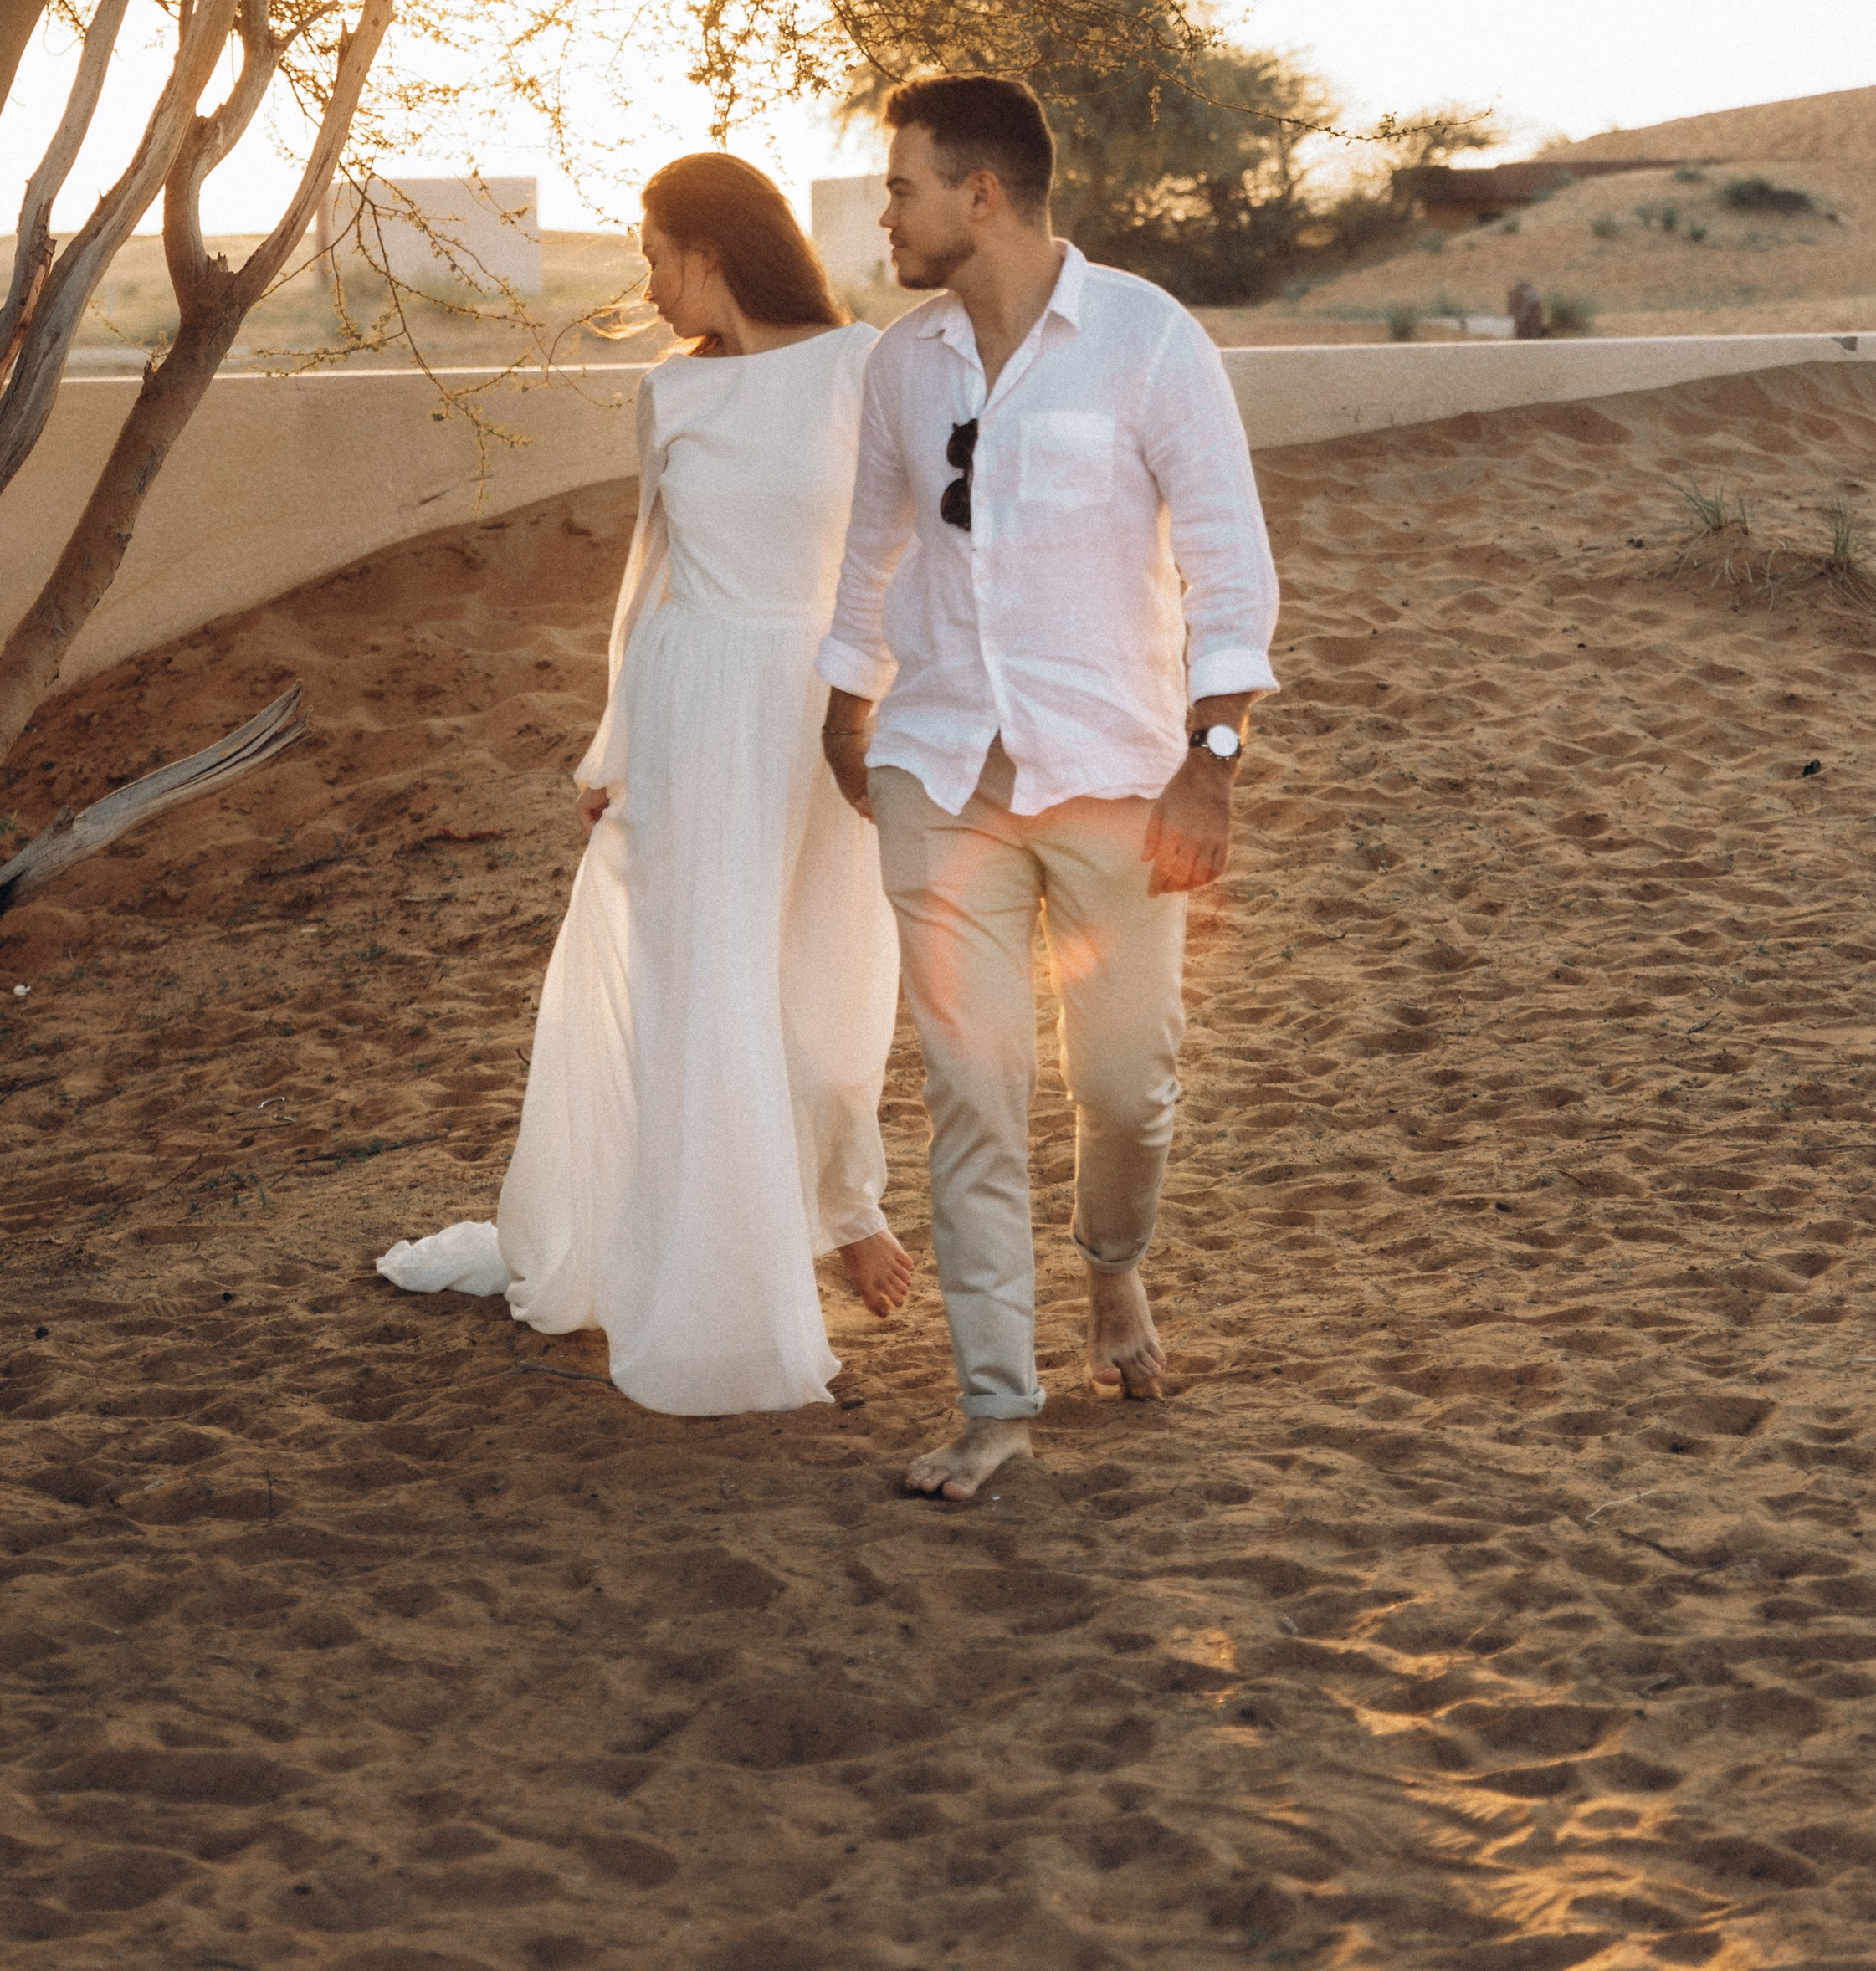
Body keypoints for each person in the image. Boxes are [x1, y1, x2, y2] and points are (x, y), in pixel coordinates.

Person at [380, 152, 912, 1413]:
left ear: (710, 253)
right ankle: (727, 1274)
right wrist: (612, 750)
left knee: (828, 984)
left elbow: (898, 551)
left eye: (653, 251)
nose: (646, 277)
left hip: (825, 700)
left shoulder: (863, 368)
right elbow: (647, 584)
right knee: (695, 988)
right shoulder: (668, 396)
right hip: (692, 704)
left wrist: (890, 704)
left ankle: (844, 1206)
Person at [817, 75, 1278, 1501]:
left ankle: (1114, 1273)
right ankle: (995, 1405)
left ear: (983, 197)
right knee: (974, 1090)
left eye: (900, 188)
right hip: (940, 774)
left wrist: (1211, 764)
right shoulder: (905, 365)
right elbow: (868, 552)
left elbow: (1229, 564)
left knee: (1128, 1089)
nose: (882, 215)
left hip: (1118, 781)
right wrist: (847, 710)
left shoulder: (1145, 341)